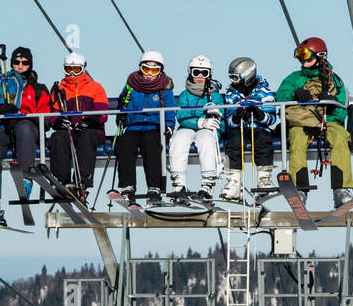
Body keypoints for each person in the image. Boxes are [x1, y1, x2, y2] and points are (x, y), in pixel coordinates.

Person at [0, 46, 51, 225]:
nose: (20, 65)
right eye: (16, 62)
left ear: (30, 64)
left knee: (23, 127)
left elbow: (47, 117)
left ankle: (26, 178)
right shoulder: (1, 85)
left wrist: (27, 118)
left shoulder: (39, 89)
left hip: (28, 130)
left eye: (24, 62)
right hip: (5, 131)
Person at [275, 36, 353, 207]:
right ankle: (300, 189)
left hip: (328, 121)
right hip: (302, 121)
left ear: (321, 57)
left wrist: (331, 103)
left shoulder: (334, 80)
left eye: (308, 58)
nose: (303, 62)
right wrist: (295, 94)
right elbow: (280, 96)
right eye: (301, 58)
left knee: (340, 137)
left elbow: (341, 112)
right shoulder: (294, 78)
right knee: (296, 138)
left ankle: (341, 189)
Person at [114, 51, 175, 205]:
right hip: (134, 126)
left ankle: (154, 187)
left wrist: (169, 126)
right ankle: (128, 186)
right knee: (125, 143)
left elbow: (169, 110)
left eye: (154, 70)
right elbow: (124, 105)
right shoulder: (131, 86)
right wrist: (122, 116)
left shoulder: (164, 88)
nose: (149, 74)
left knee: (152, 143)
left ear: (160, 71)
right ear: (140, 68)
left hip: (155, 126)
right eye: (146, 69)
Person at [48, 51, 108, 201]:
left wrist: (90, 121)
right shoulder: (60, 89)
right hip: (69, 130)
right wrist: (58, 122)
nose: (72, 74)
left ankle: (82, 182)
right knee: (58, 137)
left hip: (91, 130)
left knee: (85, 137)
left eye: (76, 70)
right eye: (69, 69)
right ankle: (62, 180)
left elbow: (102, 112)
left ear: (83, 68)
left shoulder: (95, 87)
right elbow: (53, 113)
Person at [168, 56, 225, 203]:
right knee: (178, 139)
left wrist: (215, 116)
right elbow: (181, 115)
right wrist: (199, 121)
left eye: (204, 73)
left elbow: (221, 118)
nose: (200, 77)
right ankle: (178, 183)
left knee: (206, 139)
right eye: (196, 72)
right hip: (189, 126)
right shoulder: (184, 95)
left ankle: (207, 183)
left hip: (207, 129)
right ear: (190, 73)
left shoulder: (215, 96)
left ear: (209, 75)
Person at [220, 56, 277, 200]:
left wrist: (259, 114)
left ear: (247, 75)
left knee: (263, 140)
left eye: (235, 77)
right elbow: (228, 121)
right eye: (231, 77)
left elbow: (271, 119)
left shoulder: (264, 92)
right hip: (239, 128)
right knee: (233, 143)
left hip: (258, 127)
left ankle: (264, 179)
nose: (233, 81)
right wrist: (235, 117)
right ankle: (233, 182)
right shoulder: (231, 93)